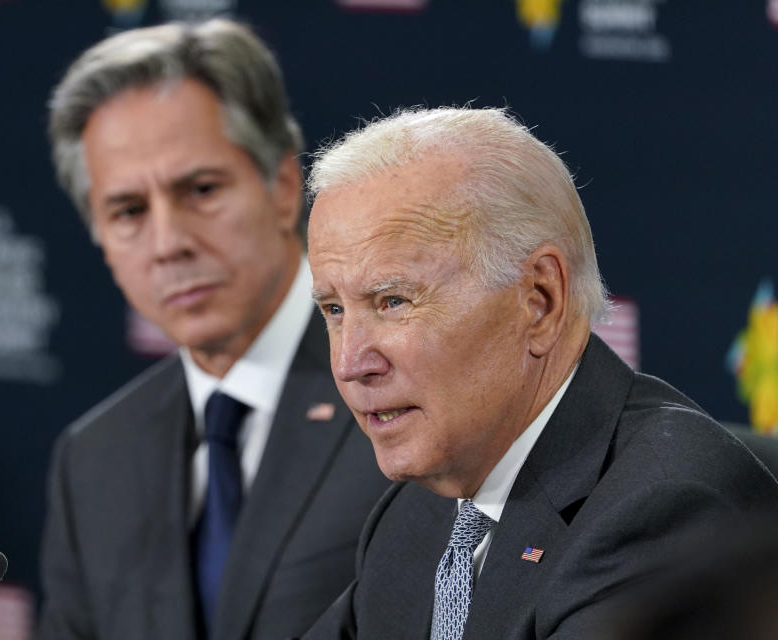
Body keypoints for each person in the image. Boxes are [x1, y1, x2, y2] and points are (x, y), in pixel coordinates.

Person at [300, 106, 778, 639]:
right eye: (334, 311)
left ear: (539, 300)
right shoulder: (418, 513)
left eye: (392, 301)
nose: (350, 363)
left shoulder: (664, 511)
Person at [38, 20, 388, 640]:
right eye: (128, 211)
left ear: (282, 188)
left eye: (200, 190)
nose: (169, 243)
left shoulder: (401, 391)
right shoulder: (94, 460)